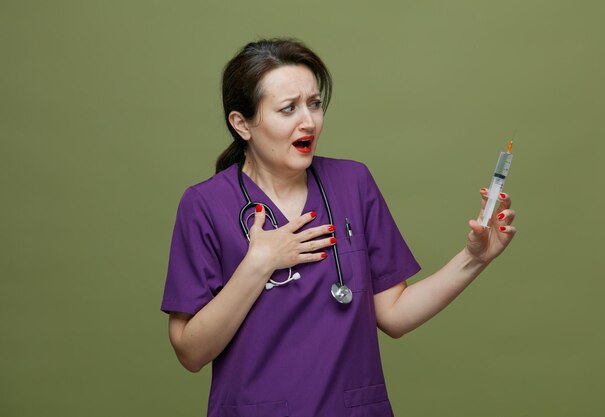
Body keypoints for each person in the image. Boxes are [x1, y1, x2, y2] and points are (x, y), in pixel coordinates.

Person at [161, 38, 516, 417]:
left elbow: (393, 315)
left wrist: (474, 258)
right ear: (242, 124)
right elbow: (190, 352)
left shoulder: (352, 184)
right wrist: (257, 265)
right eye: (288, 109)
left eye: (314, 104)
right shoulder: (205, 205)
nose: (309, 121)